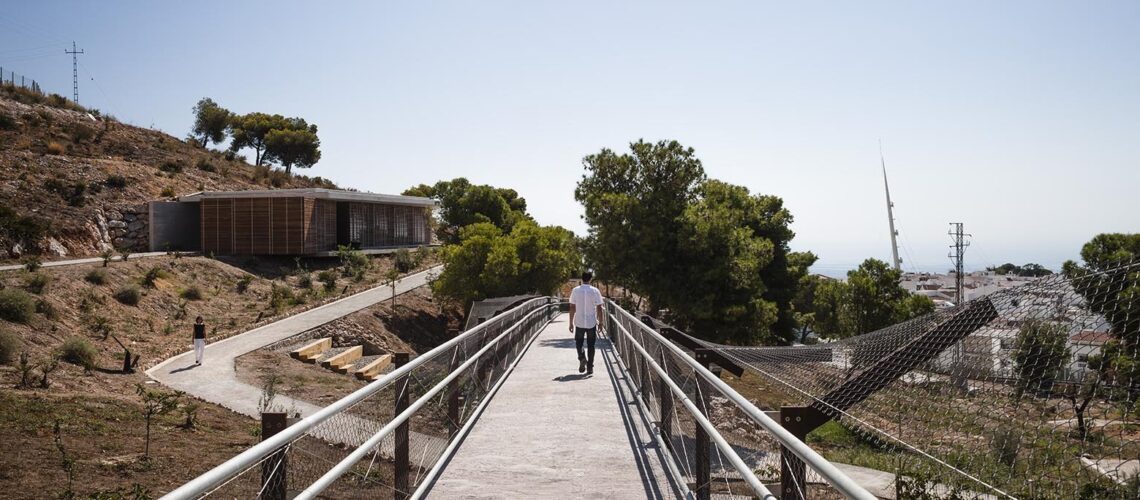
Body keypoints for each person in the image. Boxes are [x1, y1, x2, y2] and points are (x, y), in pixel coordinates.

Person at [568, 271, 605, 375]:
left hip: (579, 322)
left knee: (579, 343)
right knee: (591, 345)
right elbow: (599, 308)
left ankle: (582, 357)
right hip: (591, 322)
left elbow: (572, 307)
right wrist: (601, 322)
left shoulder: (575, 291)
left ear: (581, 278)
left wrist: (570, 323)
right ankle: (590, 367)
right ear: (590, 279)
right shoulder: (595, 291)